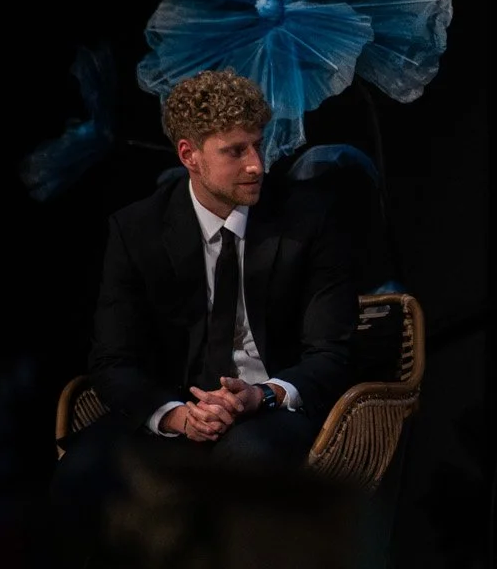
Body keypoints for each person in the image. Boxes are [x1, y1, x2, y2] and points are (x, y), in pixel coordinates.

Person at [53, 70, 357, 500]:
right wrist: (176, 416)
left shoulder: (309, 220)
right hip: (176, 409)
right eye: (235, 151)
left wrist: (263, 395)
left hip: (270, 411)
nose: (256, 165)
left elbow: (331, 353)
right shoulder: (137, 231)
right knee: (80, 473)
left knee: (244, 459)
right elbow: (113, 360)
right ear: (189, 155)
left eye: (258, 145)